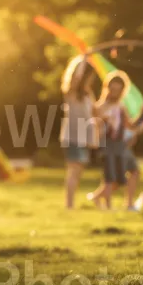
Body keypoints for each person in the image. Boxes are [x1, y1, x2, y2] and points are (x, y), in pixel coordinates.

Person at [90, 71, 143, 210]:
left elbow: (129, 125)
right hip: (108, 145)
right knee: (111, 177)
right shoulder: (99, 107)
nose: (115, 93)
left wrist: (141, 114)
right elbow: (95, 126)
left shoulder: (121, 107)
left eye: (118, 90)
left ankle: (124, 203)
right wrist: (103, 121)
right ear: (106, 88)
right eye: (112, 89)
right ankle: (104, 203)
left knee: (126, 175)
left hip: (121, 146)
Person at [60, 56, 97, 209]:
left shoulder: (88, 95)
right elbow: (76, 77)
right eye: (89, 77)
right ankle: (69, 205)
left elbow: (96, 111)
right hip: (73, 137)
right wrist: (83, 60)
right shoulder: (72, 92)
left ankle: (70, 204)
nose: (91, 80)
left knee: (78, 171)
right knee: (74, 170)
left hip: (84, 138)